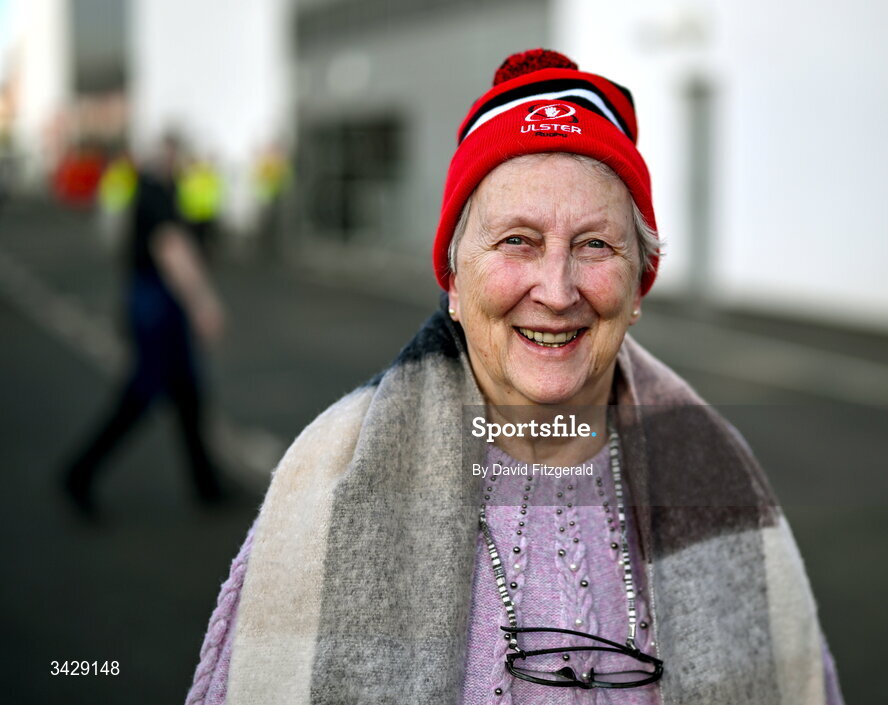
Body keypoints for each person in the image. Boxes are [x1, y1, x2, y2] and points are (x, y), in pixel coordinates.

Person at [186, 50, 844, 704]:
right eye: (516, 241)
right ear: (452, 276)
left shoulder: (720, 473)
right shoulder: (323, 480)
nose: (556, 291)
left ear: (638, 284)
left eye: (594, 245)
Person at [63, 133, 227, 516]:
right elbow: (171, 247)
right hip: (156, 303)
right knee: (141, 395)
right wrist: (204, 303)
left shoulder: (163, 187)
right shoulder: (153, 191)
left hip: (157, 300)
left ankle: (206, 485)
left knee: (188, 394)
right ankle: (80, 472)